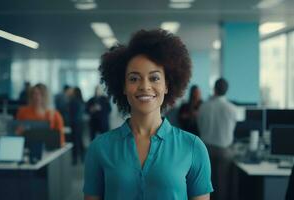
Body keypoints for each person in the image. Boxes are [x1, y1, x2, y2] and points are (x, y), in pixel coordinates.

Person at [83, 29, 213, 200]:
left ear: (167, 85)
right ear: (123, 86)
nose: (144, 86)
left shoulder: (193, 147)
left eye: (154, 78)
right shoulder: (99, 148)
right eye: (134, 78)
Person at [197, 78, 238, 200]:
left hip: (205, 150)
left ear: (214, 89)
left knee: (205, 184)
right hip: (224, 151)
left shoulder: (203, 106)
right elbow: (232, 129)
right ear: (227, 90)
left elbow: (200, 126)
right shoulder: (232, 108)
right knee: (221, 185)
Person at [69, 87, 85, 165]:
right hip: (80, 123)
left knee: (75, 141)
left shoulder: (73, 101)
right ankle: (83, 157)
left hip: (74, 123)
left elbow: (70, 112)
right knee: (80, 140)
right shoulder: (81, 100)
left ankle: (75, 159)